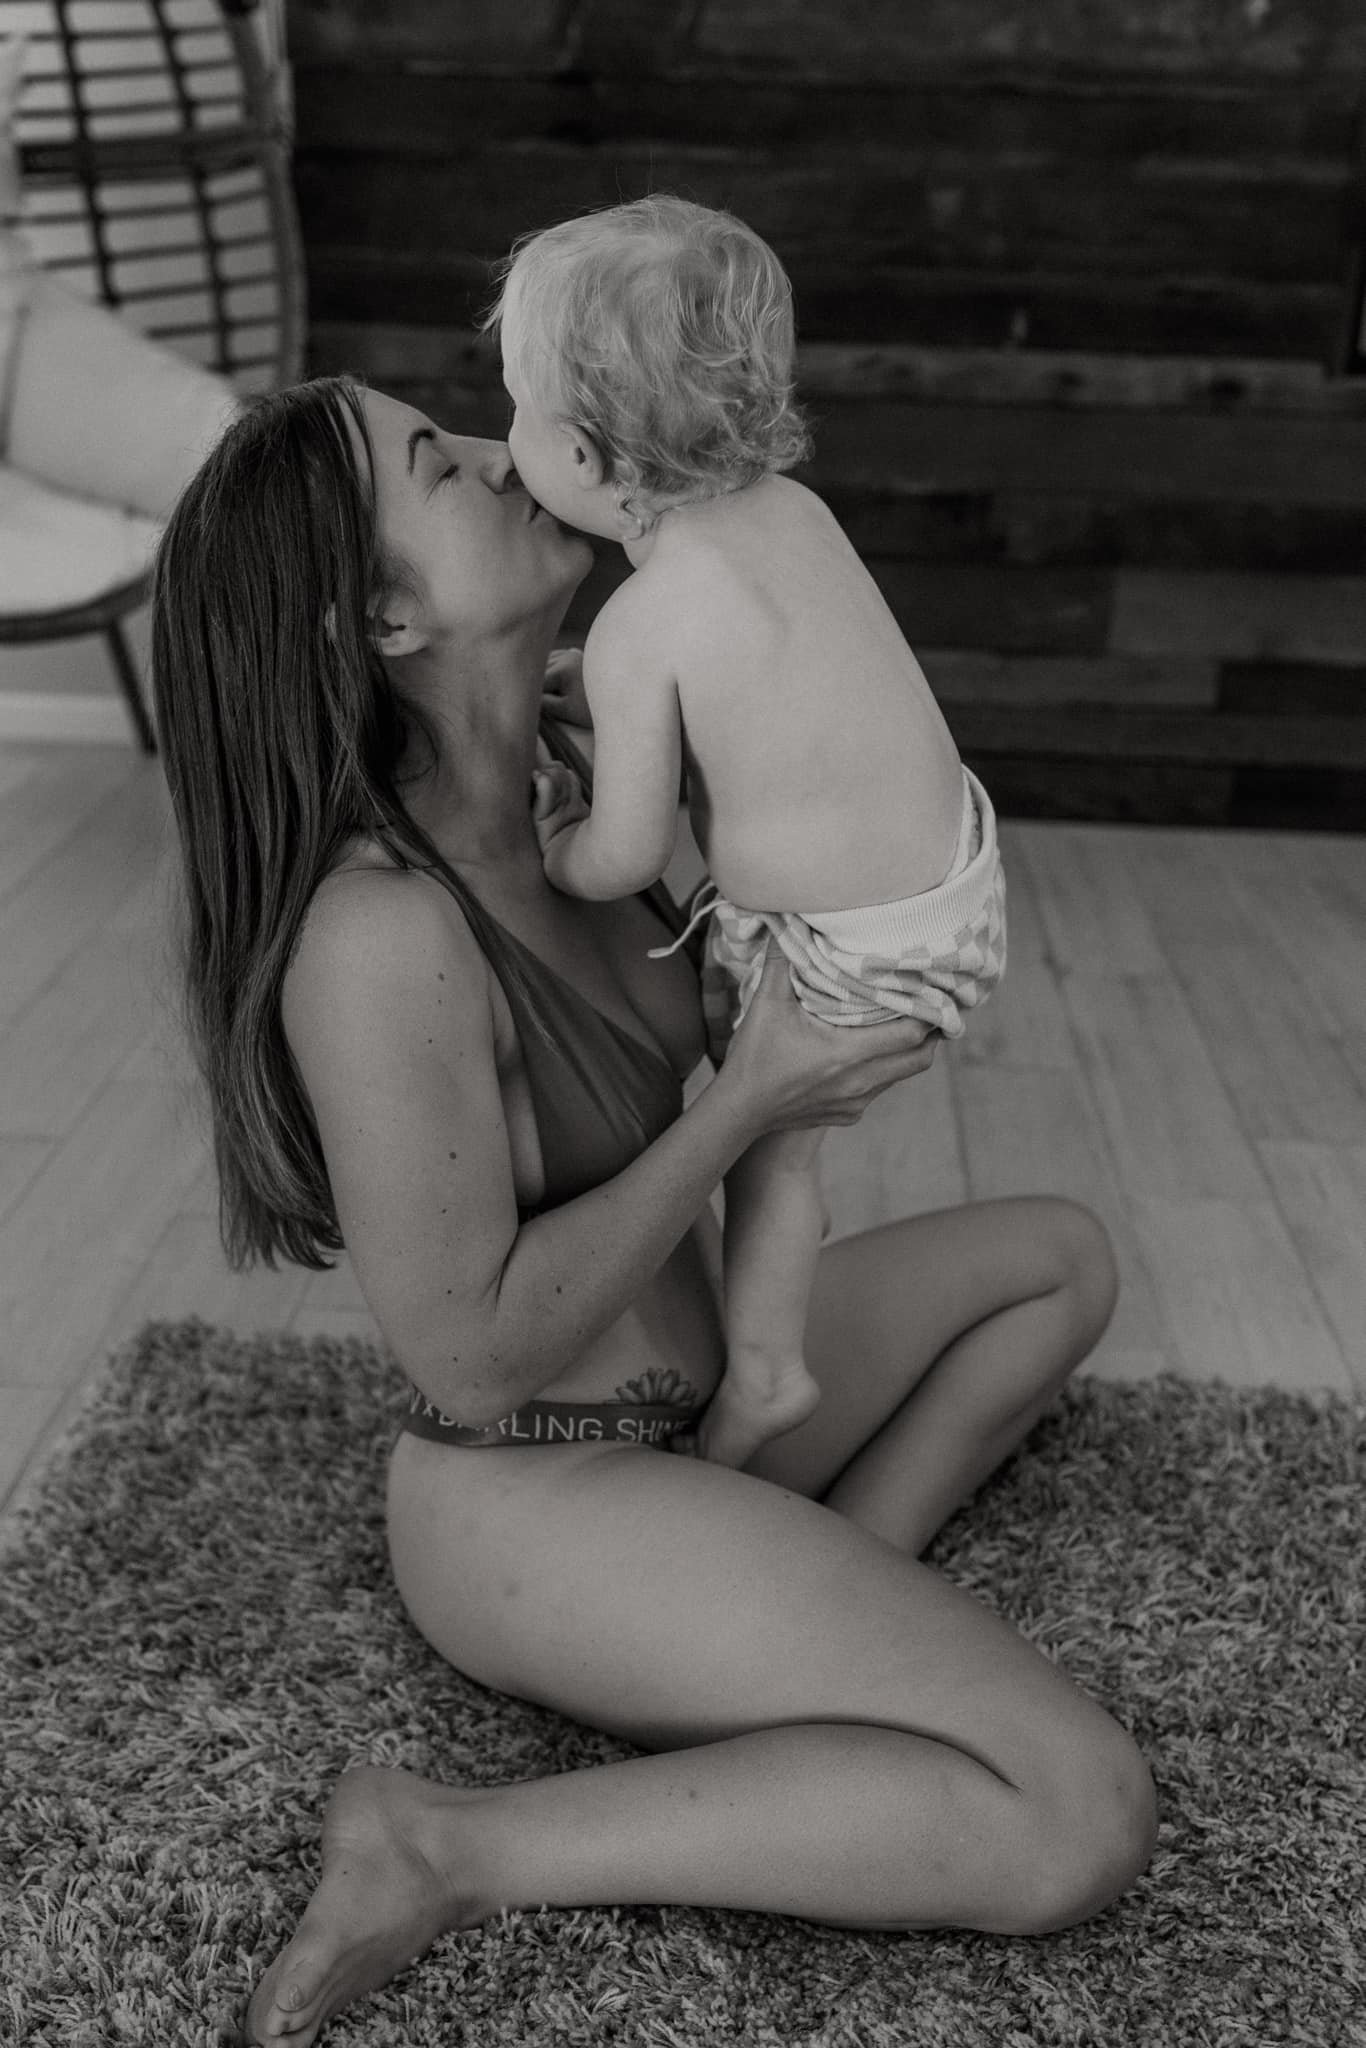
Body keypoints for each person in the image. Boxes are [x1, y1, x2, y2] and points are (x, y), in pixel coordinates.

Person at [149, 377, 1155, 2048]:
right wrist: (754, 1096)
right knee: (1073, 1808)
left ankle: (795, 1619)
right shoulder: (378, 938)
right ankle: (450, 1838)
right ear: (383, 610)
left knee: (1056, 1261)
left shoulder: (580, 769)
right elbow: (466, 1360)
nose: (502, 449)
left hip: (698, 1412)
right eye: (442, 463)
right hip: (537, 1482)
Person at [488, 196, 1006, 1472]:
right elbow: (775, 718)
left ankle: (766, 1373)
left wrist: (550, 841)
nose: (503, 445)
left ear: (594, 463)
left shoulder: (642, 623)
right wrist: (606, 710)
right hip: (948, 889)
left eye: (517, 413)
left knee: (766, 1154)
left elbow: (622, 857)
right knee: (773, 1140)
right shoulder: (792, 513)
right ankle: (732, 1339)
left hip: (847, 953)